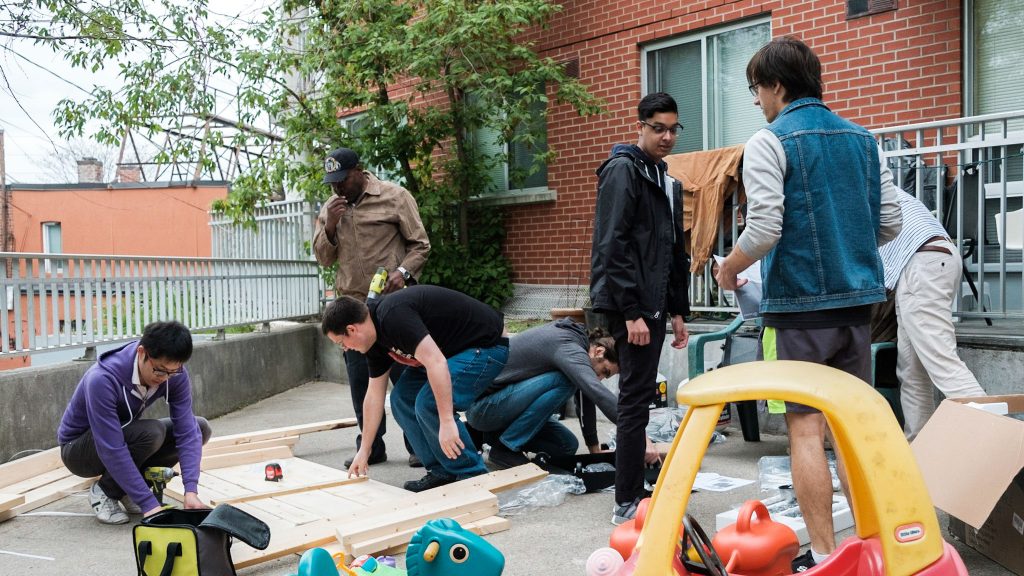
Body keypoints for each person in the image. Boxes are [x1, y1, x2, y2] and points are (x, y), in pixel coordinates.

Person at [715, 37, 901, 571]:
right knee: (850, 431)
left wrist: (729, 267)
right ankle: (873, 548)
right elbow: (888, 223)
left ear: (776, 86)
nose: (756, 101)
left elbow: (766, 226)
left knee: (804, 428)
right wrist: (847, 244)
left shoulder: (769, 142)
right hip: (857, 309)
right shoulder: (865, 141)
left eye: (756, 89)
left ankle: (822, 557)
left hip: (800, 308)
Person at [590, 91, 691, 526]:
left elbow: (672, 250)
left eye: (673, 129)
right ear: (641, 127)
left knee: (640, 398)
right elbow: (613, 245)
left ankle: (633, 488)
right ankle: (625, 499)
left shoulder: (664, 178)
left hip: (651, 304)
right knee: (633, 401)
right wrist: (631, 312)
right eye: (658, 128)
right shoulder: (623, 170)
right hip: (627, 304)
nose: (667, 136)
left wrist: (677, 310)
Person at [321, 285, 509, 492]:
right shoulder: (374, 340)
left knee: (428, 404)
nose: (345, 349)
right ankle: (442, 471)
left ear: (351, 329)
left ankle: (472, 477)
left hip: (487, 347)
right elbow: (374, 395)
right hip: (449, 354)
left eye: (341, 343)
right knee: (401, 399)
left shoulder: (393, 316)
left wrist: (446, 421)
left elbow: (436, 362)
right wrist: (364, 450)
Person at [313, 147, 431, 468]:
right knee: (360, 382)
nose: (337, 188)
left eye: (343, 180)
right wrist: (330, 227)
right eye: (332, 183)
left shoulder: (395, 196)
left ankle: (419, 444)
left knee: (406, 377)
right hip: (353, 308)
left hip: (393, 306)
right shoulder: (331, 209)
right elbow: (324, 258)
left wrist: (403, 273)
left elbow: (420, 244)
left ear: (359, 171)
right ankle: (371, 447)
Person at [57, 321, 211, 524]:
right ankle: (104, 491)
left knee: (199, 427)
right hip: (78, 450)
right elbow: (111, 446)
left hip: (119, 436)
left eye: (173, 371)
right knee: (151, 433)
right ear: (142, 352)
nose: (166, 378)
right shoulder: (102, 379)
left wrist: (190, 490)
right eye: (160, 371)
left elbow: (186, 431)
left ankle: (128, 488)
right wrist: (150, 505)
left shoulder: (175, 375)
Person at [466, 318, 662, 468]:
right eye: (605, 371)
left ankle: (494, 438)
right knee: (565, 381)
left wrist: (594, 449)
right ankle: (506, 448)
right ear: (599, 351)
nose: (601, 378)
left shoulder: (575, 347)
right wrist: (639, 436)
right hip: (483, 407)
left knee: (566, 446)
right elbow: (595, 391)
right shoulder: (568, 345)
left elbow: (587, 395)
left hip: (502, 409)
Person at [879, 190, 985, 441]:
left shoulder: (859, 183)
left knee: (943, 363)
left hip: (923, 262)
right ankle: (919, 450)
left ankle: (997, 444)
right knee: (911, 372)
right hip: (925, 260)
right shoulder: (874, 180)